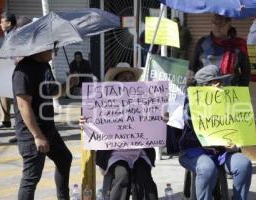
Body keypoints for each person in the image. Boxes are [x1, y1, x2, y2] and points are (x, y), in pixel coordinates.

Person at [80, 63, 158, 200]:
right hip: (114, 153)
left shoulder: (145, 100)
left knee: (143, 175)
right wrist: (84, 122)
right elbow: (91, 119)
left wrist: (161, 118)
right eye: (124, 78)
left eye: (131, 78)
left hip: (139, 152)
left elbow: (155, 123)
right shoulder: (104, 100)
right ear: (115, 82)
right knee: (122, 175)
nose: (128, 81)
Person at [179, 64, 252, 200]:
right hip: (195, 151)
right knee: (207, 168)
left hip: (223, 153)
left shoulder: (230, 101)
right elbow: (187, 119)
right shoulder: (189, 103)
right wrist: (195, 106)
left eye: (221, 82)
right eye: (214, 82)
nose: (220, 85)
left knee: (244, 164)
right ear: (202, 86)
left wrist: (236, 145)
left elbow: (238, 130)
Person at [12, 48, 74, 200]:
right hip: (32, 134)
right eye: (51, 49)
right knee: (31, 178)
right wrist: (38, 136)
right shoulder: (23, 71)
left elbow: (53, 92)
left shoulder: (45, 65)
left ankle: (63, 197)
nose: (54, 52)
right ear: (38, 48)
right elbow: (23, 105)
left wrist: (69, 83)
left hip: (49, 129)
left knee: (65, 158)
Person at [188, 14, 250, 87]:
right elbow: (192, 69)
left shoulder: (239, 45)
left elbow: (246, 73)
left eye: (221, 24)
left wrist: (241, 92)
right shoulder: (203, 42)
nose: (217, 27)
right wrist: (190, 89)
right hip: (205, 92)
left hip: (230, 93)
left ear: (229, 25)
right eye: (214, 23)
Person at [0, 12, 16, 129]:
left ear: (9, 23)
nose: (0, 24)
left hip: (13, 69)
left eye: (2, 22)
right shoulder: (8, 34)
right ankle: (5, 121)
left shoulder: (14, 35)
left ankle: (19, 123)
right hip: (6, 68)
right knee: (2, 92)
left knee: (18, 97)